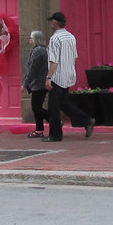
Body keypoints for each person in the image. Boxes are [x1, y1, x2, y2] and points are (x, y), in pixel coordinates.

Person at [43, 12, 95, 142]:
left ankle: (55, 135)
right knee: (63, 102)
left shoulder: (55, 39)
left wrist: (49, 77)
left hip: (58, 76)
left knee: (54, 106)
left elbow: (54, 60)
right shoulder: (71, 37)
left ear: (55, 22)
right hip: (69, 73)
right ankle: (86, 120)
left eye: (51, 21)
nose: (50, 23)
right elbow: (74, 56)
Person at [23, 30, 49, 138]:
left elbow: (33, 69)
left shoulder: (38, 50)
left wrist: (25, 84)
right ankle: (39, 129)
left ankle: (53, 119)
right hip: (39, 83)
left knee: (36, 107)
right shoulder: (40, 50)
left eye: (31, 38)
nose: (29, 40)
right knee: (37, 107)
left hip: (39, 84)